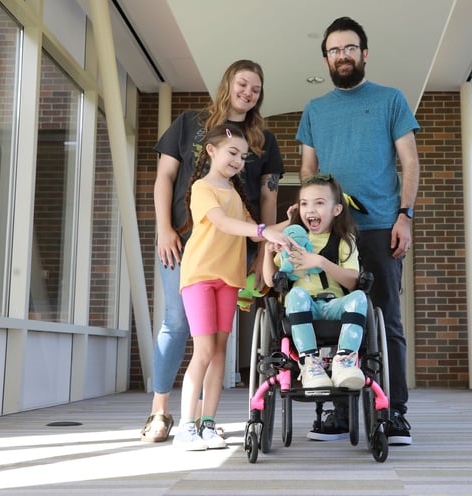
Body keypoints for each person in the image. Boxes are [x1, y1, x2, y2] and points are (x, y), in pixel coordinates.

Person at [141, 59, 284, 443]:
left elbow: (268, 198)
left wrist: (263, 250)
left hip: (233, 246)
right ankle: (161, 411)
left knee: (219, 340)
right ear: (228, 83)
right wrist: (164, 228)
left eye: (256, 88)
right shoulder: (189, 122)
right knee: (176, 322)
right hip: (184, 240)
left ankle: (205, 418)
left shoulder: (263, 140)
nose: (248, 93)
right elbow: (165, 177)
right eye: (242, 84)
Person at [296, 16, 420, 446]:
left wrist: (405, 215)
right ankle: (340, 411)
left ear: (364, 54)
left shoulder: (390, 100)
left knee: (385, 319)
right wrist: (309, 214)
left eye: (350, 48)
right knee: (331, 313)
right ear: (326, 57)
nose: (342, 56)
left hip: (380, 226)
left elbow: (410, 161)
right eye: (334, 50)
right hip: (332, 231)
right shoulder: (315, 109)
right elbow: (308, 170)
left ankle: (395, 412)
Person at [173, 124, 291, 450]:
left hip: (229, 280)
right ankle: (186, 427)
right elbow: (224, 224)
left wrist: (290, 221)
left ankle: (208, 424)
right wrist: (267, 230)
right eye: (232, 153)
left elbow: (253, 233)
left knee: (220, 353)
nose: (238, 161)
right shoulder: (202, 188)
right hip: (199, 276)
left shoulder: (236, 196)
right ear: (211, 151)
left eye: (242, 156)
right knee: (204, 350)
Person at [262, 174, 367, 393]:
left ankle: (344, 361)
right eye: (304, 203)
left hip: (333, 306)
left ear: (336, 210)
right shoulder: (291, 240)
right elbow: (269, 280)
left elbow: (352, 281)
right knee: (296, 294)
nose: (311, 209)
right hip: (302, 306)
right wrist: (266, 251)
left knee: (360, 297)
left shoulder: (344, 239)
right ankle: (310, 363)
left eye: (319, 203)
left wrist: (321, 262)